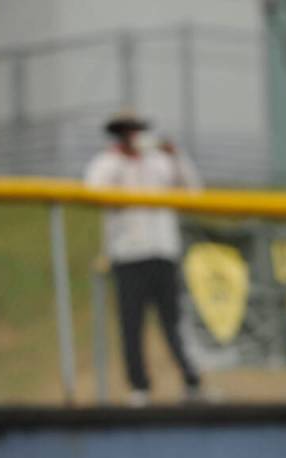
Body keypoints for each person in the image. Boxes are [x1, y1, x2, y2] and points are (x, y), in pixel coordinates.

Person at [85, 108, 203, 406]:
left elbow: (193, 191)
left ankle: (191, 381)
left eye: (135, 130)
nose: (132, 136)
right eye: (125, 131)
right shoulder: (106, 163)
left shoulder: (161, 162)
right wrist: (122, 160)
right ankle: (139, 387)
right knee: (131, 324)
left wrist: (176, 154)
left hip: (163, 253)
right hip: (126, 256)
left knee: (172, 322)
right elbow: (93, 190)